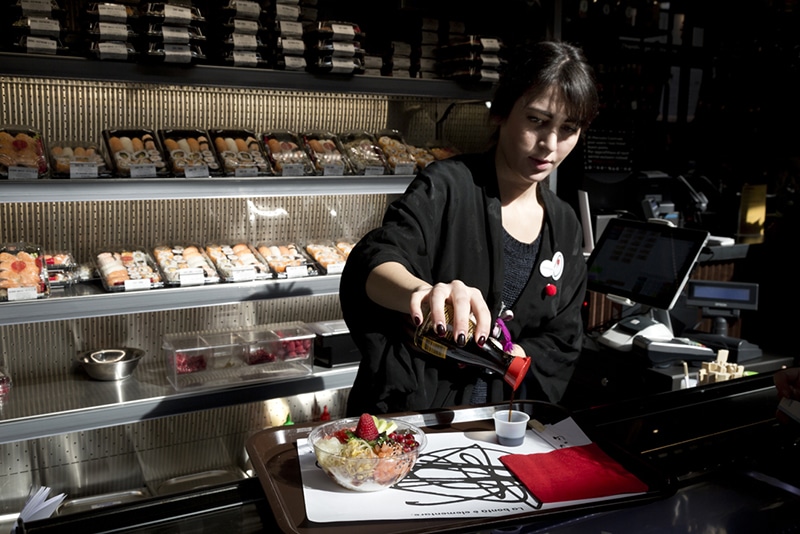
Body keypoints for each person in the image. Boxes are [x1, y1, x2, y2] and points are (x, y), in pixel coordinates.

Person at [340, 41, 599, 416]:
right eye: (536, 121)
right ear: (501, 113)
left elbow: (563, 340)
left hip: (500, 427)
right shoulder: (447, 185)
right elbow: (376, 262)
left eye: (568, 129)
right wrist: (425, 294)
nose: (550, 145)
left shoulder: (564, 224)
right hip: (417, 418)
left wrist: (510, 356)